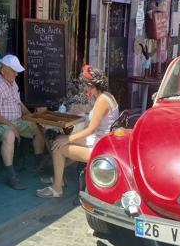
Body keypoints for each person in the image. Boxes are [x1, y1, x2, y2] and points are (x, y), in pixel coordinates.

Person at [36, 65, 119, 198]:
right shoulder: (107, 96)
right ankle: (59, 178)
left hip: (99, 148)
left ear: (90, 85)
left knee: (58, 147)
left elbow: (91, 128)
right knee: (59, 140)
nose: (84, 88)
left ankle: (57, 188)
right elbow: (98, 122)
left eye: (84, 85)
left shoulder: (101, 101)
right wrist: (84, 114)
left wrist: (68, 139)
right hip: (103, 142)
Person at [0, 54, 46, 190]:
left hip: (13, 120)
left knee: (37, 127)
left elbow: (18, 102)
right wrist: (11, 125)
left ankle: (38, 165)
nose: (16, 74)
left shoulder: (11, 82)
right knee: (9, 134)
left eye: (17, 71)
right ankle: (11, 176)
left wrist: (31, 116)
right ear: (3, 69)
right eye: (13, 70)